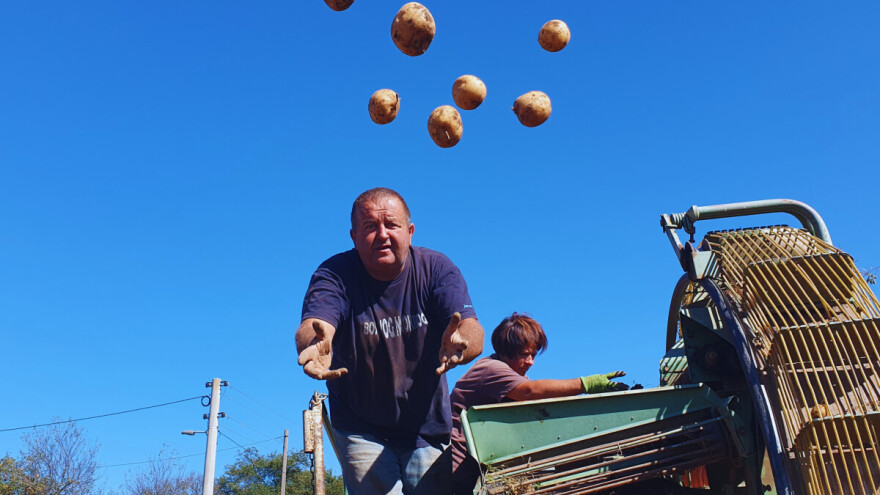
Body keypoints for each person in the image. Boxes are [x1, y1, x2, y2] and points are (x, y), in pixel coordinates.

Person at [296, 187, 485, 495]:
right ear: (354, 237)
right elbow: (315, 324)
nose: (382, 234)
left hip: (426, 426)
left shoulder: (436, 269)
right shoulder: (335, 274)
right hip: (360, 426)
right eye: (370, 227)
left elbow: (470, 327)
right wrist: (315, 343)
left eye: (391, 225)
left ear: (409, 232)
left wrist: (463, 342)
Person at [449, 313, 628, 494]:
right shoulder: (490, 369)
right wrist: (587, 384)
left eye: (534, 355)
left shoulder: (516, 376)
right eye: (524, 355)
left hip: (475, 468)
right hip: (456, 467)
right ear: (504, 351)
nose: (531, 362)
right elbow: (531, 392)